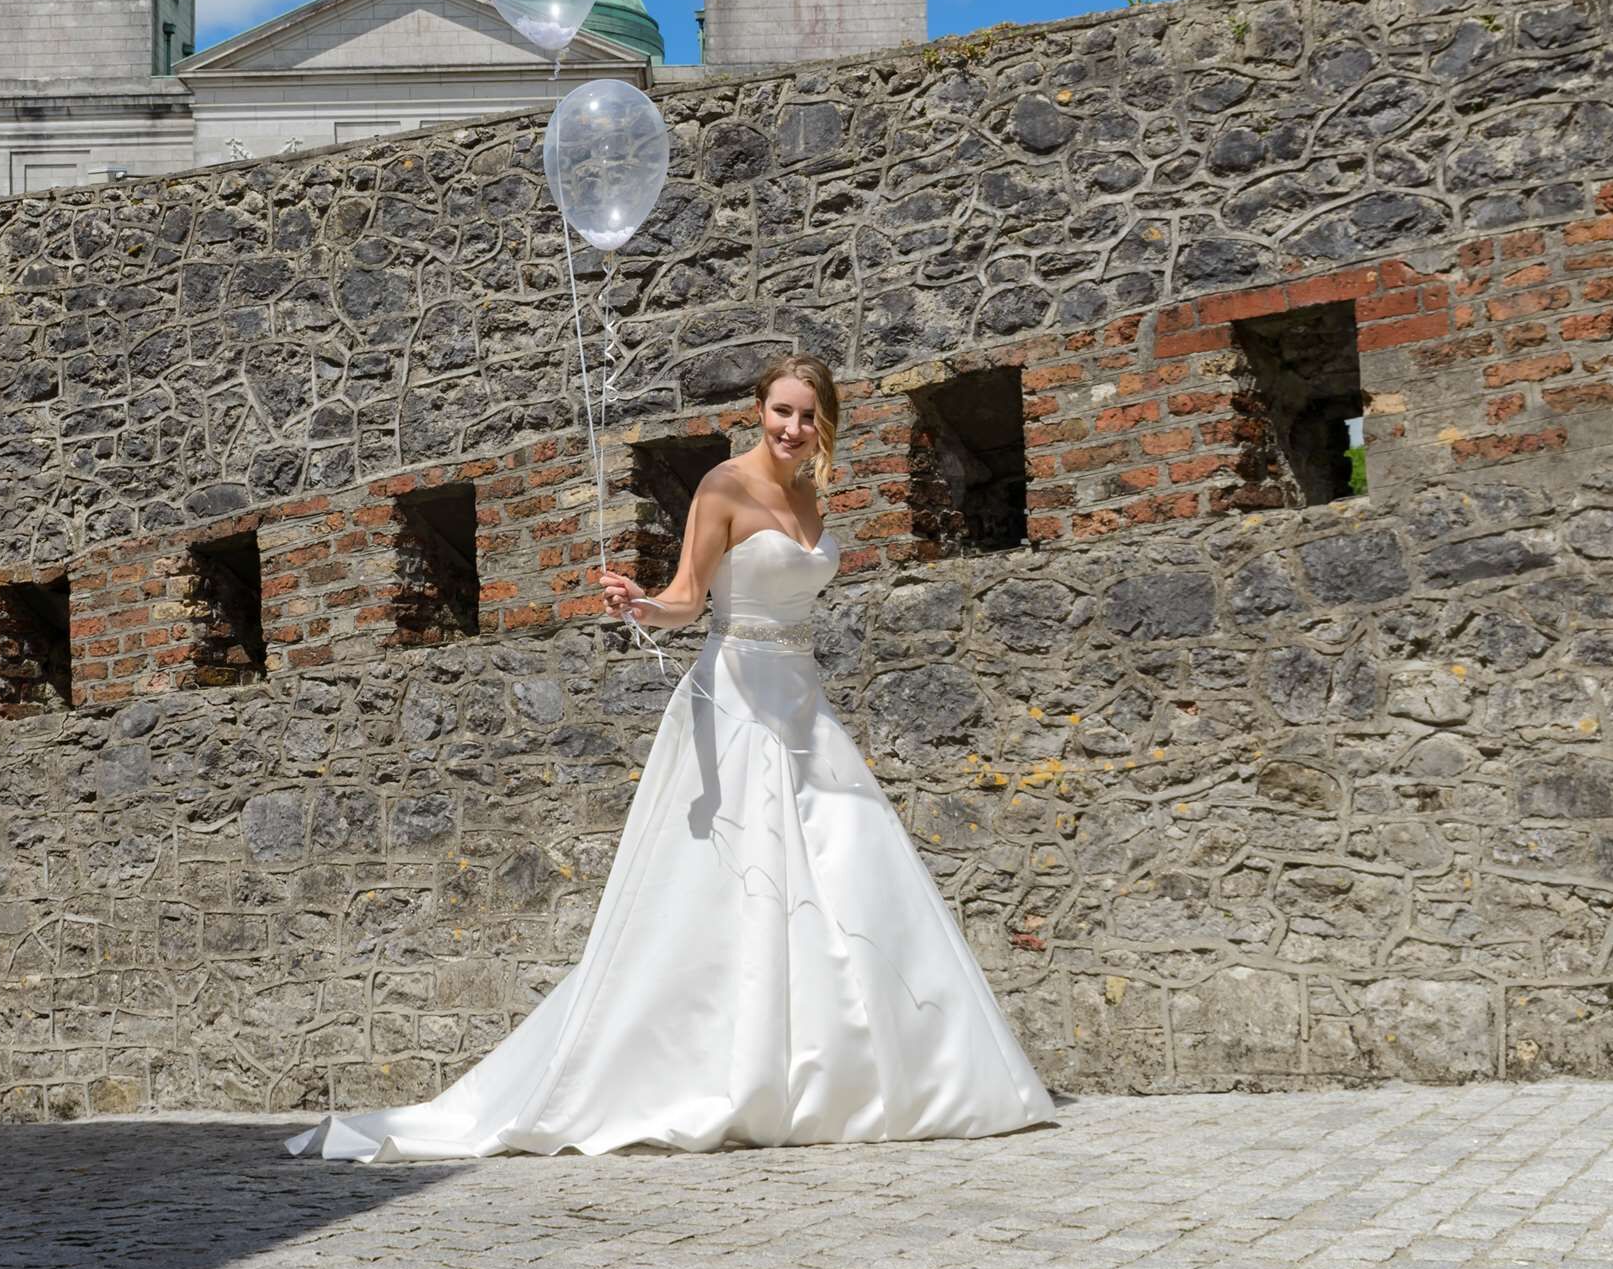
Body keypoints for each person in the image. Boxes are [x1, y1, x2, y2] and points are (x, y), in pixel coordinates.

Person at [289, 353, 1056, 1161]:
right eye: (781, 412)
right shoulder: (724, 486)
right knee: (731, 884)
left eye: (808, 417)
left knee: (850, 855)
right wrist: (643, 604)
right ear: (757, 409)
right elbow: (690, 597)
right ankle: (721, 1068)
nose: (792, 430)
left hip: (801, 695)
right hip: (731, 699)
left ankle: (874, 1072)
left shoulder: (807, 491)